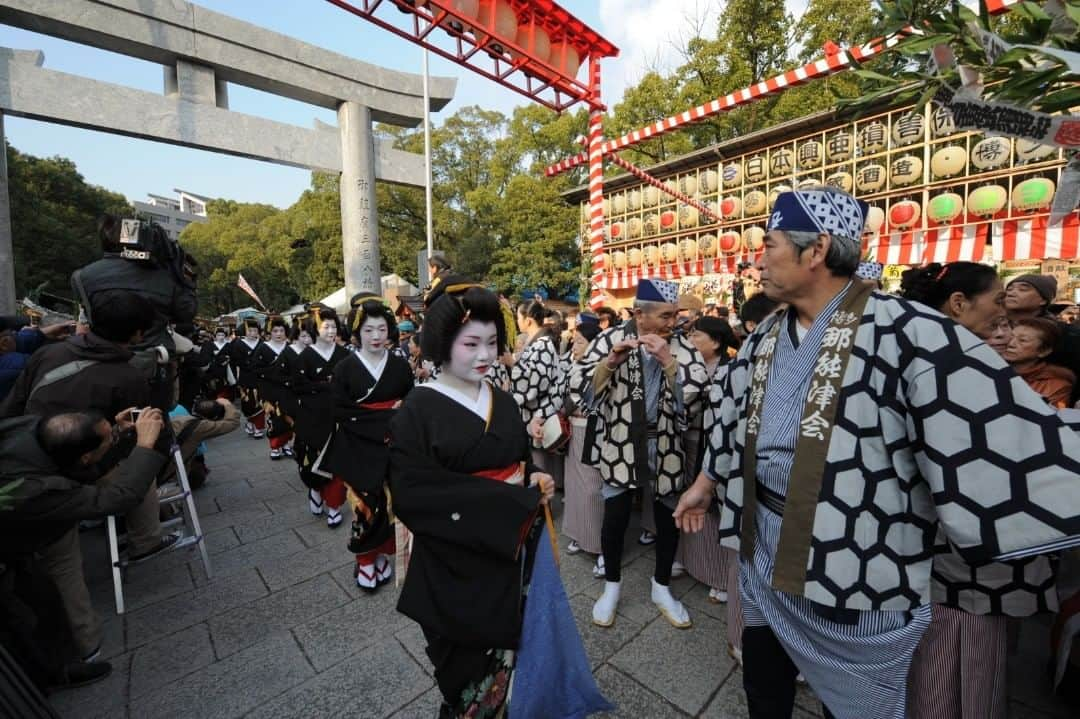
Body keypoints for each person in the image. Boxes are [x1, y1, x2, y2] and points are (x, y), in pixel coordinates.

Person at [675, 187, 1080, 719]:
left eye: (769, 244)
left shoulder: (911, 329)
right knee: (763, 674)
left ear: (815, 250)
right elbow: (732, 417)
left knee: (859, 701)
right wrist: (705, 484)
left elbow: (1004, 431)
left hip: (855, 552)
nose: (756, 260)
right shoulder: (765, 335)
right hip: (765, 540)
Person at [388, 282, 557, 718]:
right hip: (450, 556)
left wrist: (535, 477)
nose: (484, 355)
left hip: (507, 549)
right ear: (443, 344)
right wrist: (510, 500)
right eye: (471, 344)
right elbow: (410, 494)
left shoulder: (500, 400)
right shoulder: (417, 409)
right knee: (464, 676)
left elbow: (519, 459)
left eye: (492, 343)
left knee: (510, 654)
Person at [901, 261, 1057, 719]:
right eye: (997, 307)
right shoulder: (952, 364)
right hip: (962, 548)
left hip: (957, 546)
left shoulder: (939, 353)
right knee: (959, 648)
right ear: (958, 304)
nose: (1004, 326)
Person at [574, 278, 708, 629]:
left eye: (675, 315)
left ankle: (661, 585)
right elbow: (579, 385)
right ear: (639, 314)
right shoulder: (609, 339)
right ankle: (612, 587)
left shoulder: (682, 345)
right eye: (665, 316)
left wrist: (668, 363)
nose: (672, 322)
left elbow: (696, 391)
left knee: (668, 516)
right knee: (615, 515)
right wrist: (611, 363)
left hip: (665, 441)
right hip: (619, 439)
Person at [0, 407, 166, 690]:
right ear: (85, 457)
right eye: (107, 442)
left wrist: (116, 432)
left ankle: (59, 664)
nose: (111, 441)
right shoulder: (38, 489)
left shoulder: (31, 429)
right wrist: (145, 445)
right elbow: (117, 498)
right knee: (19, 616)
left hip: (17, 541)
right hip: (9, 544)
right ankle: (48, 677)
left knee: (42, 597)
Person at [318, 294, 413, 591]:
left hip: (393, 444)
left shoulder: (399, 365)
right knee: (365, 504)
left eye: (382, 329)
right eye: (369, 330)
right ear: (357, 333)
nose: (376, 336)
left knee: (393, 502)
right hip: (357, 444)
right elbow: (340, 411)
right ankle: (365, 561)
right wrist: (385, 418)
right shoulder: (345, 368)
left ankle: (384, 553)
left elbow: (410, 402)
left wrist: (397, 417)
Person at [677, 316, 739, 605]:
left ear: (715, 342)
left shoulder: (730, 371)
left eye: (696, 336)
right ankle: (692, 563)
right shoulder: (688, 366)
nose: (690, 341)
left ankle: (719, 577)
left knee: (714, 512)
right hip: (691, 442)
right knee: (691, 502)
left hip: (717, 452)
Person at [292, 312, 351, 527]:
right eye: (326, 327)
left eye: (334, 327)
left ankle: (334, 505)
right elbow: (298, 386)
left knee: (338, 464)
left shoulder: (345, 354)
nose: (331, 331)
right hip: (312, 418)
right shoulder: (305, 357)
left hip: (339, 418)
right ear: (316, 329)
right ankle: (315, 490)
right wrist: (324, 386)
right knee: (314, 460)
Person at [560, 317, 604, 560]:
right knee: (574, 486)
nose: (573, 347)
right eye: (573, 342)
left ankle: (599, 545)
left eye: (579, 342)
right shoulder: (572, 364)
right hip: (573, 430)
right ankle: (577, 532)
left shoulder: (600, 367)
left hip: (592, 430)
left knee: (591, 488)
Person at [1005, 273, 1080, 399]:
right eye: (1009, 289)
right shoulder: (991, 327)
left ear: (1043, 300)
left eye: (1023, 289)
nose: (1012, 293)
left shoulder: (1066, 335)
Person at [510, 300, 562, 476]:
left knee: (539, 473)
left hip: (540, 415)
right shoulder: (536, 343)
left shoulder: (543, 344)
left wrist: (511, 365)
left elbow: (536, 382)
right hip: (533, 416)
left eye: (518, 317)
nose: (517, 321)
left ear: (528, 320)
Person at [1005, 317, 1076, 408]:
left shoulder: (1056, 386)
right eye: (1010, 337)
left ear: (1044, 351)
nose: (1011, 344)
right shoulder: (989, 367)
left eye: (1022, 340)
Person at [251, 318, 296, 460]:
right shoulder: (263, 347)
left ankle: (286, 444)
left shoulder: (290, 347)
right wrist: (274, 370)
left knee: (289, 417)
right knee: (274, 418)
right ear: (270, 332)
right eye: (275, 331)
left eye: (282, 330)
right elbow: (256, 368)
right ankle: (275, 446)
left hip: (288, 389)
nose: (278, 334)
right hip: (270, 389)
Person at [229, 319, 265, 438]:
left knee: (259, 403)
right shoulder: (239, 343)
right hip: (245, 378)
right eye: (249, 330)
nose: (252, 333)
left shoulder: (262, 343)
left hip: (259, 378)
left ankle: (258, 427)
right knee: (248, 403)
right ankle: (250, 422)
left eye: (254, 330)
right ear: (245, 331)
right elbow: (236, 360)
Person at [199, 327, 235, 400]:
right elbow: (205, 356)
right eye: (218, 335)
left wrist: (226, 359)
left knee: (224, 387)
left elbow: (233, 357)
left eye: (222, 335)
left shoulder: (229, 345)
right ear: (215, 336)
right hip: (212, 369)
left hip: (225, 369)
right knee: (212, 387)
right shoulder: (210, 344)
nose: (221, 337)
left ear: (225, 336)